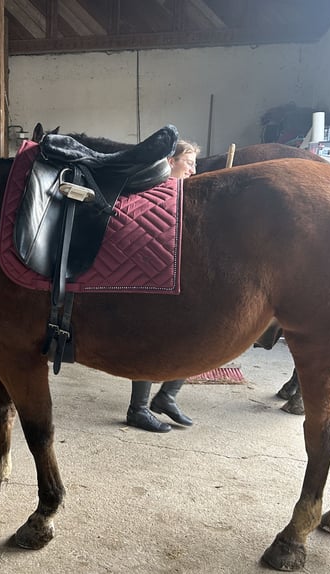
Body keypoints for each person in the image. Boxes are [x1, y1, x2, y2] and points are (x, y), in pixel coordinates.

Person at [126, 139, 201, 433]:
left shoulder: (182, 194)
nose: (193, 170)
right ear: (170, 162)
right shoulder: (152, 192)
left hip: (174, 278)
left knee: (195, 337)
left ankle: (166, 396)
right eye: (189, 162)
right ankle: (139, 409)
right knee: (149, 340)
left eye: (195, 164)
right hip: (150, 279)